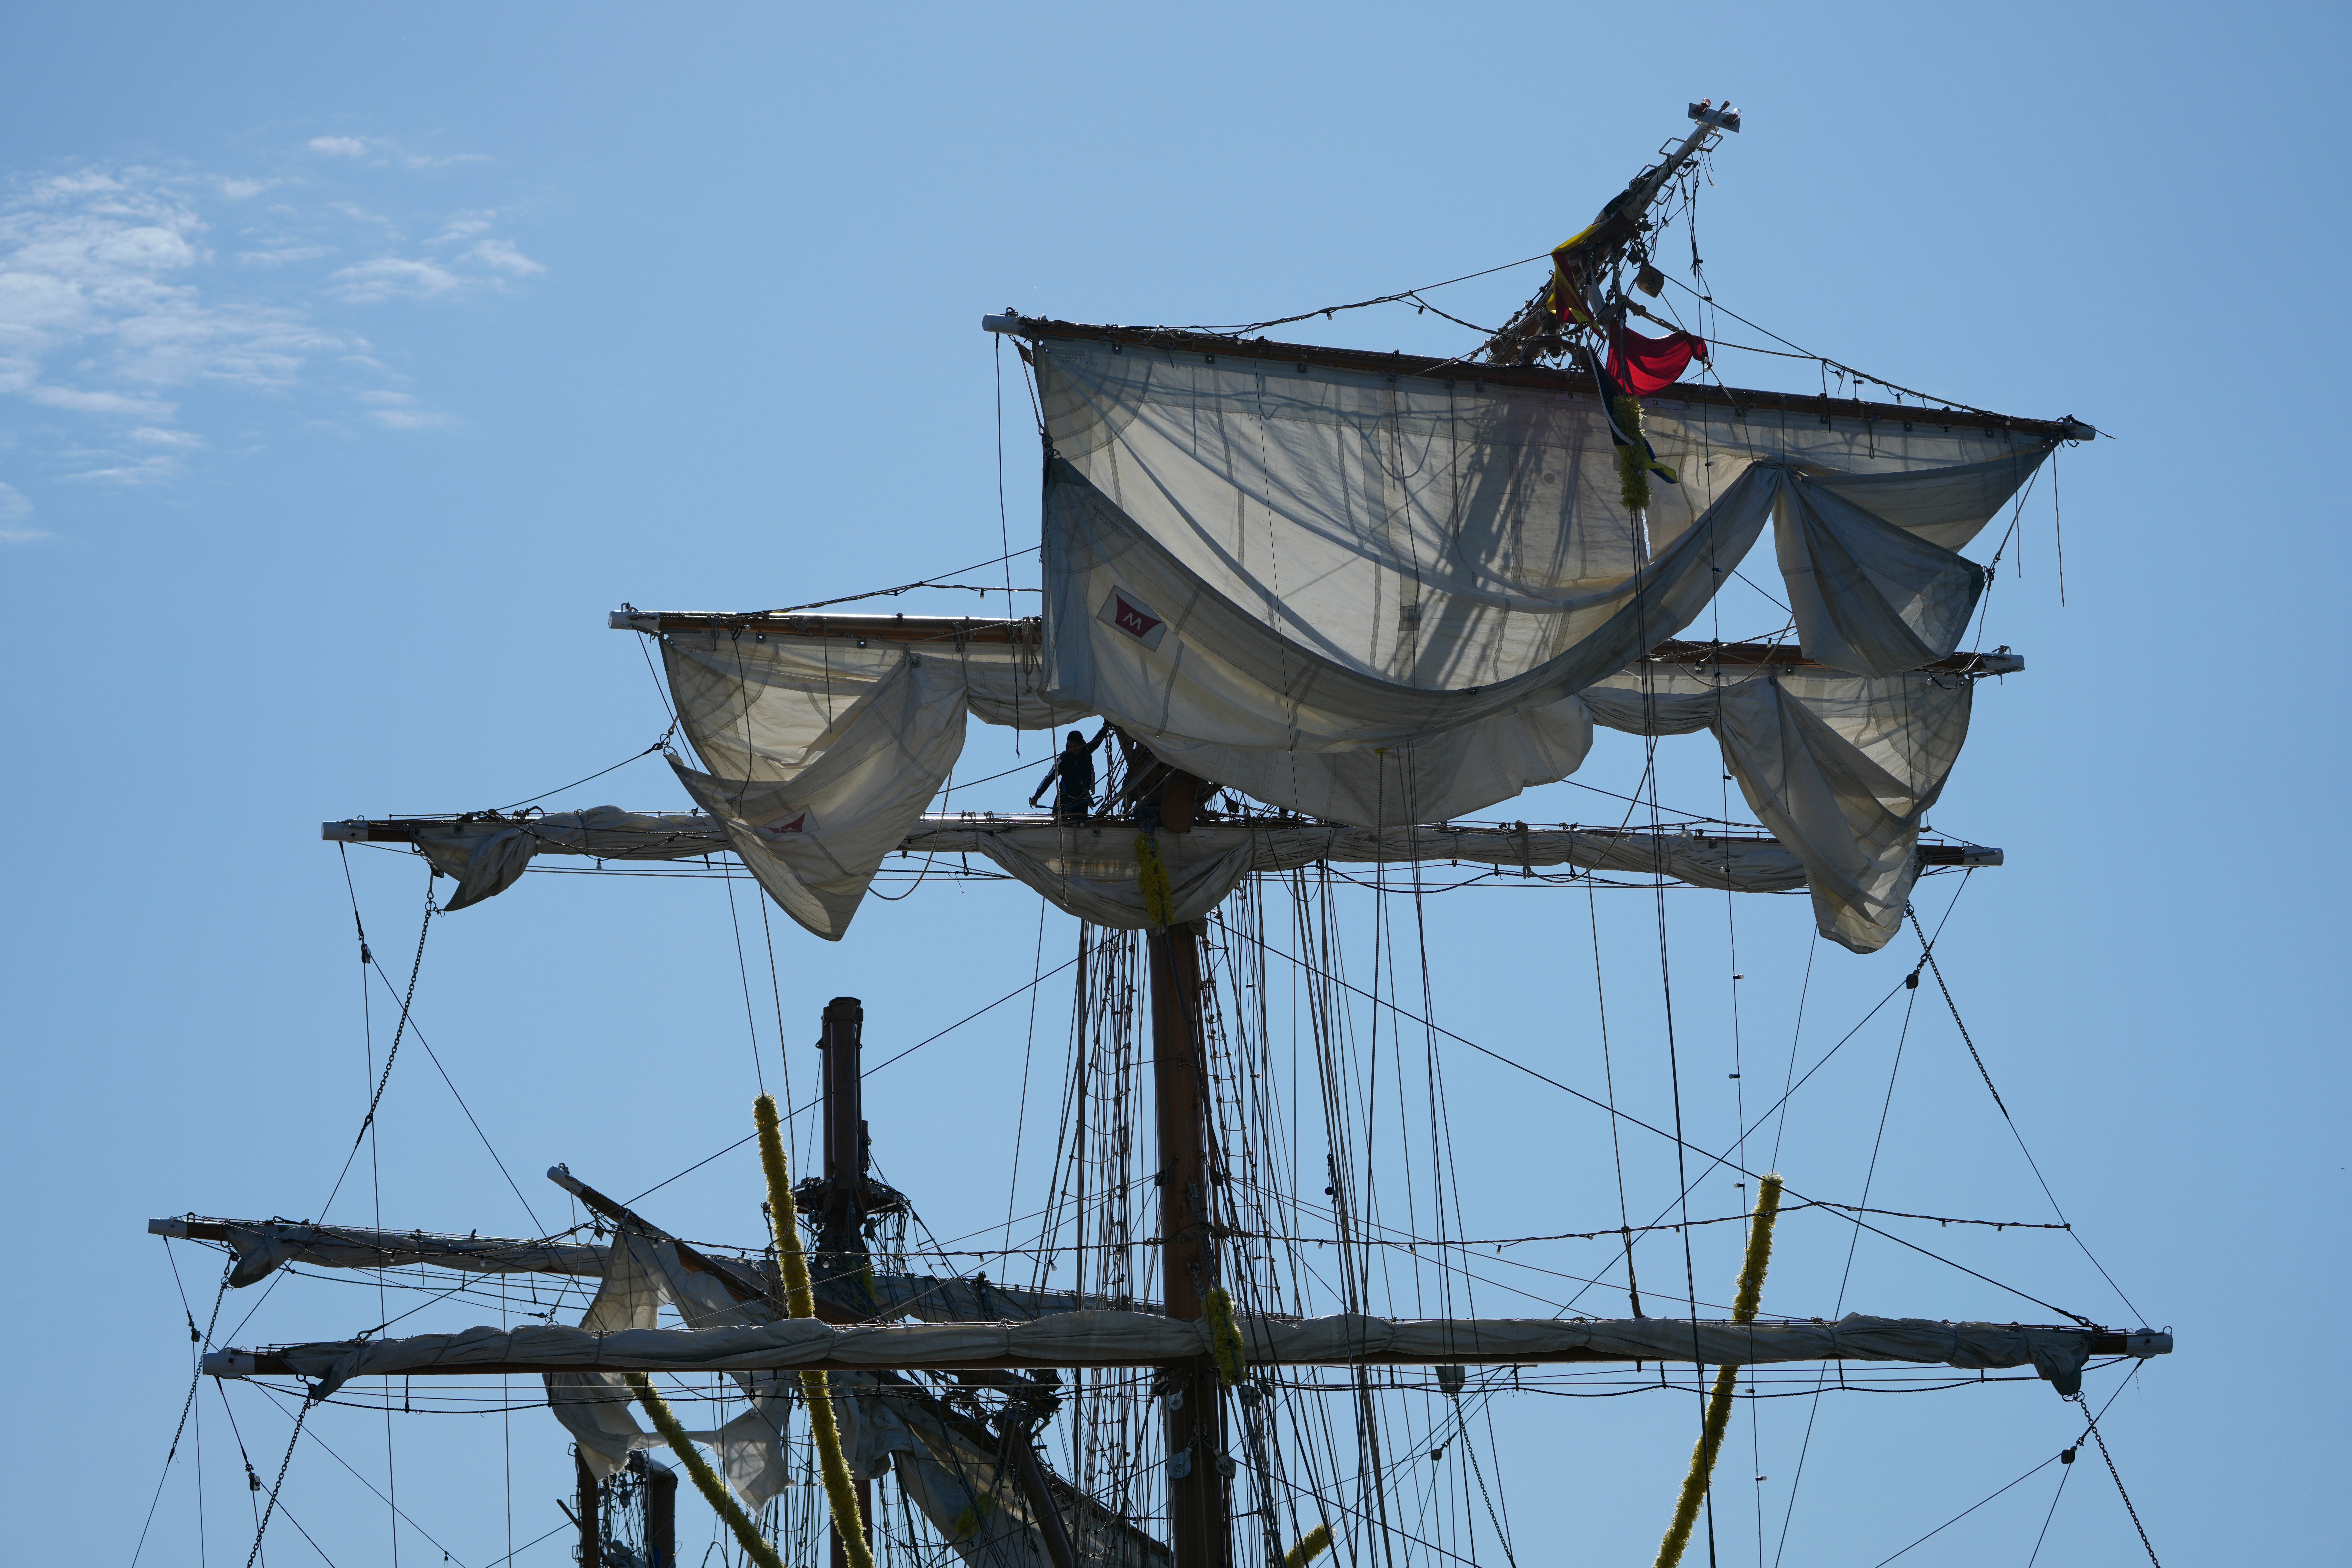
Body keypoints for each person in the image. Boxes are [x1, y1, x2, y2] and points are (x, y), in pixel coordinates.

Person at [1028, 725, 1110, 819]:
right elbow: (1050, 777)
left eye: (1076, 747)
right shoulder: (1064, 759)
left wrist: (1106, 728)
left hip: (1082, 802)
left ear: (1081, 744)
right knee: (1059, 825)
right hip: (1065, 801)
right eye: (1070, 746)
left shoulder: (1087, 751)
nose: (1073, 750)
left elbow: (1098, 740)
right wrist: (1037, 795)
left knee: (1083, 829)